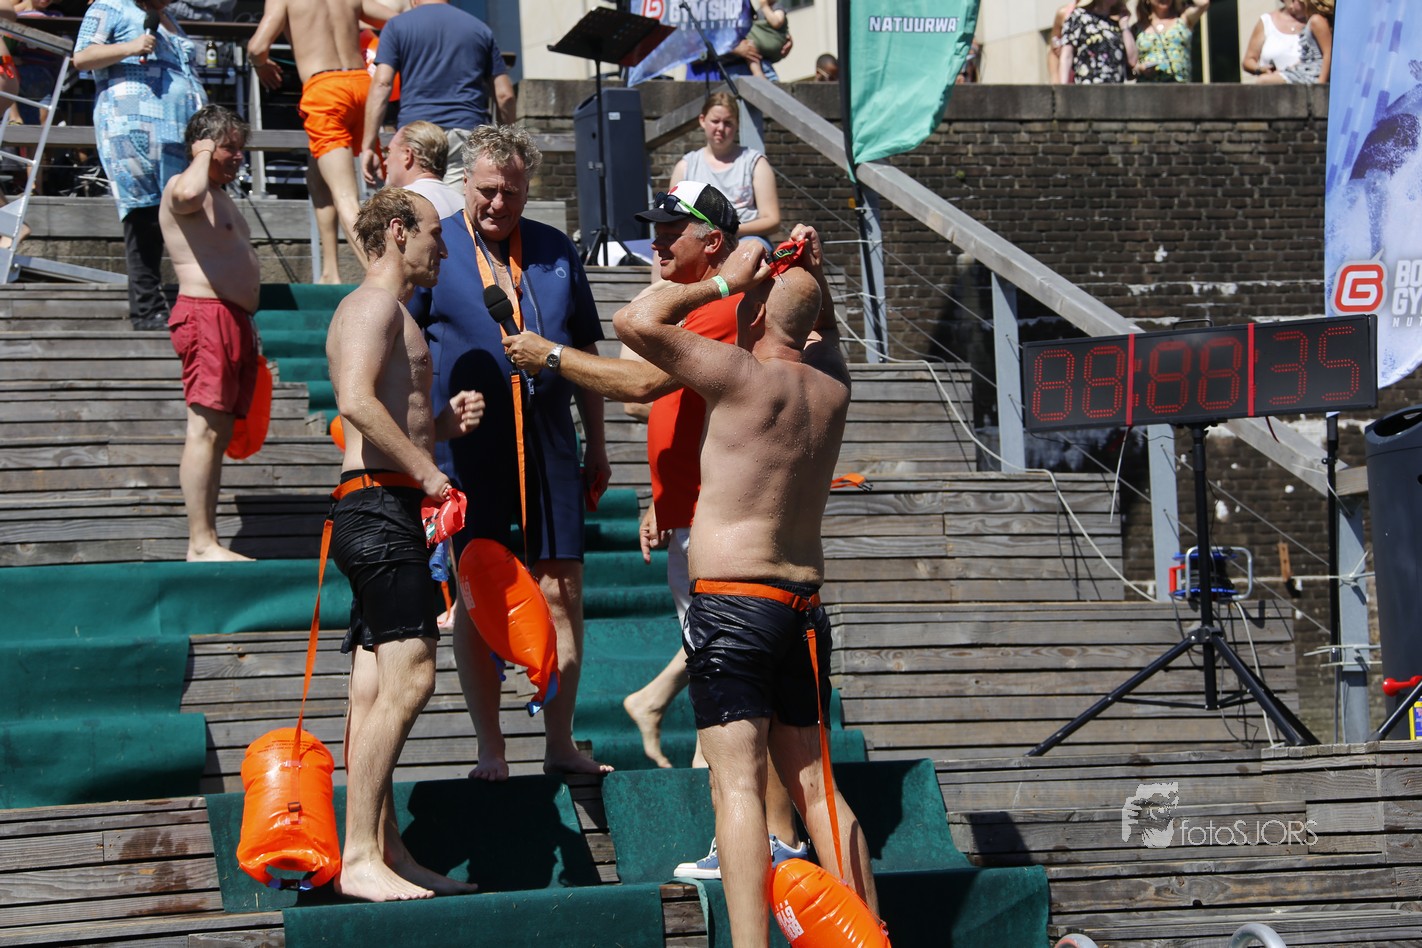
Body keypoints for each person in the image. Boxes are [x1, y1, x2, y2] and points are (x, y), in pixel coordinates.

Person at [502, 180, 809, 877]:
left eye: (673, 232)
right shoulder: (705, 299)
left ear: (714, 243)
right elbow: (652, 399)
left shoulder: (719, 304)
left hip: (718, 527)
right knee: (726, 693)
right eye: (657, 229)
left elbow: (638, 381)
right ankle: (760, 839)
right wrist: (660, 503)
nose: (657, 243)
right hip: (695, 512)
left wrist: (548, 355)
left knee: (732, 700)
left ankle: (760, 844)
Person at [615, 224, 877, 948]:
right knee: (818, 786)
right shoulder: (833, 387)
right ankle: (870, 937)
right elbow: (824, 331)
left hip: (734, 605)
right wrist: (811, 277)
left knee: (735, 788)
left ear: (755, 316)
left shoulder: (737, 373)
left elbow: (634, 320)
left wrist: (726, 280)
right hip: (802, 608)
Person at [410, 124, 611, 780]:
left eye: (514, 193)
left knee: (562, 590)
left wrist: (598, 443)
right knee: (479, 591)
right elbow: (403, 344)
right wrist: (426, 433)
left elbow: (587, 351)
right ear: (465, 182)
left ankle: (560, 743)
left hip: (551, 442)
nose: (499, 203)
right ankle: (490, 747)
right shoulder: (437, 246)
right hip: (470, 449)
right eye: (488, 190)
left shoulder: (554, 248)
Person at [326, 186, 484, 901]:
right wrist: (429, 472)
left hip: (384, 502)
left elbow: (388, 409)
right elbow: (355, 401)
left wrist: (441, 427)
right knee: (413, 674)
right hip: (378, 507)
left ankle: (386, 848)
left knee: (373, 688)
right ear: (397, 230)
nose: (442, 247)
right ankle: (359, 854)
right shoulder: (371, 306)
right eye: (432, 233)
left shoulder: (392, 312)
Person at [156, 106, 259, 562]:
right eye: (229, 147)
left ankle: (207, 539)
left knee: (217, 434)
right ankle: (200, 542)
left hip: (231, 319)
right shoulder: (185, 187)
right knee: (203, 430)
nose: (239, 156)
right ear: (203, 146)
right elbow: (186, 193)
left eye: (241, 147)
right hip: (205, 315)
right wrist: (200, 154)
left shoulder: (217, 193)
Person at [74, 0, 205, 331]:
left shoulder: (168, 17)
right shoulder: (111, 6)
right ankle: (147, 309)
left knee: (183, 213)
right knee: (144, 213)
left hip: (178, 131)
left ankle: (194, 302)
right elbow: (82, 57)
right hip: (134, 126)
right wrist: (131, 46)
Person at [247, 0, 402, 274]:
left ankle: (383, 279)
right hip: (361, 85)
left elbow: (257, 47)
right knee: (318, 178)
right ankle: (330, 272)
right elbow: (397, 21)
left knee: (346, 196)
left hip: (326, 91)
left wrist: (260, 65)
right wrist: (351, 23)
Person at [359, 0, 515, 190]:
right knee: (457, 206)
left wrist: (368, 146)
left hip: (416, 135)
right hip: (465, 131)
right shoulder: (479, 28)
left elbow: (382, 83)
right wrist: (505, 144)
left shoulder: (397, 26)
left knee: (411, 204)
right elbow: (505, 95)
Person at [669, 92, 780, 250]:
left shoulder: (755, 162)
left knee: (748, 251)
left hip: (744, 238)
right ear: (702, 120)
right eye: (715, 121)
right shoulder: (685, 166)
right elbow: (672, 215)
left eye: (728, 123)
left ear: (737, 124)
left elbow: (772, 220)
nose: (721, 128)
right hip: (699, 240)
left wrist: (729, 231)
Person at [383, 120, 462, 219]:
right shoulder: (463, 203)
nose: (385, 162)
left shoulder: (398, 203)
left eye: (389, 151)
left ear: (407, 155)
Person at [1058, 0, 1136, 85]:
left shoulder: (1117, 24)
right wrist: (1063, 88)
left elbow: (1132, 61)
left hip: (1115, 88)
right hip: (1087, 86)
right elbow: (1067, 55)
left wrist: (1125, 26)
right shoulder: (1079, 16)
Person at [1132, 0, 1209, 83]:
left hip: (1180, 86)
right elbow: (1129, 67)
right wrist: (1139, 68)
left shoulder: (1183, 18)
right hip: (1148, 87)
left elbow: (1203, 3)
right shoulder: (1137, 28)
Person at [1261, 0, 1331, 85]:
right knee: (1271, 77)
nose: (1291, 6)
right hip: (1305, 70)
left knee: (1263, 81)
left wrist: (1321, 83)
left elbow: (1328, 53)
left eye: (1294, 1)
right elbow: (1305, 57)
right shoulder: (1311, 21)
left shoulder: (1317, 20)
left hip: (1313, 73)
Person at [1241, 0, 1306, 80]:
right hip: (1272, 85)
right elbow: (1248, 61)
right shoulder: (1267, 21)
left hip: (1307, 84)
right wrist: (1262, 70)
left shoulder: (1315, 21)